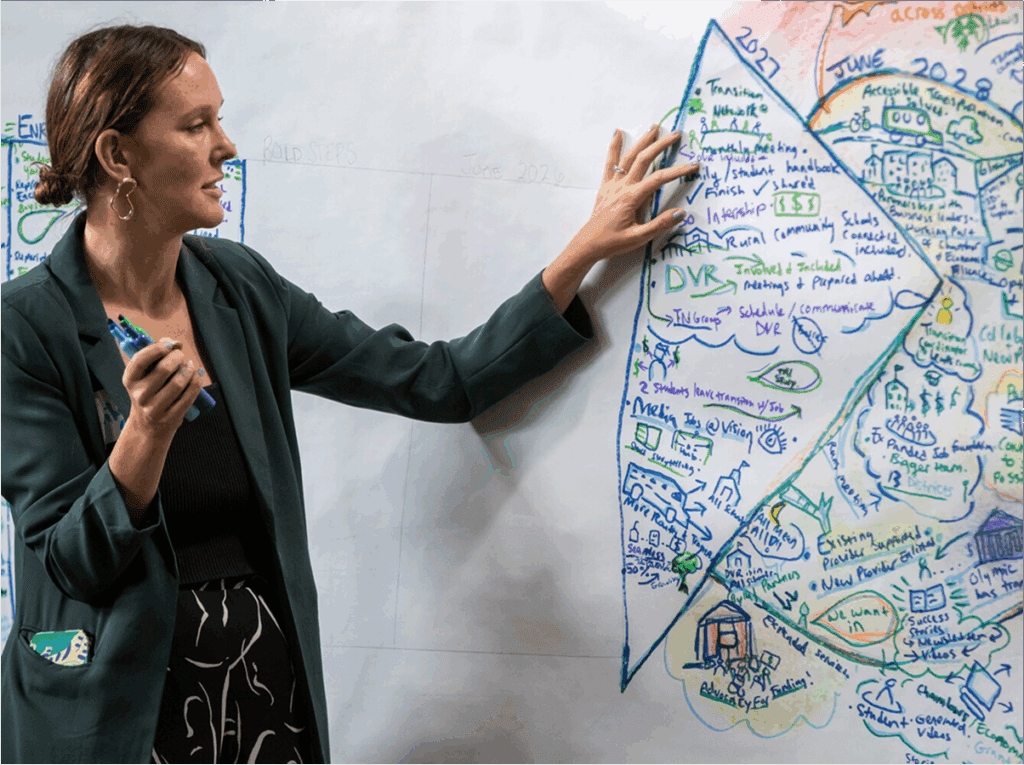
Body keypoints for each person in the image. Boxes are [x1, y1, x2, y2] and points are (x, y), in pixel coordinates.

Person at [0, 24, 698, 765]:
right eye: (196, 124)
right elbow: (68, 562)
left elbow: (441, 379)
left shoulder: (240, 289)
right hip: (118, 719)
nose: (226, 145)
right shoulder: (23, 328)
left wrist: (586, 248)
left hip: (264, 698)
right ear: (118, 156)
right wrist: (144, 435)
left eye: (220, 117)